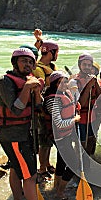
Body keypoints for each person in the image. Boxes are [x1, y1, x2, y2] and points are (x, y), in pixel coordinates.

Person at [0, 48, 60, 200]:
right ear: (15, 63)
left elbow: (38, 107)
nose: (28, 65)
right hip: (13, 136)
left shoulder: (26, 81)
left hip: (25, 134)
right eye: (24, 61)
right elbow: (16, 109)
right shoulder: (4, 82)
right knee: (30, 175)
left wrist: (36, 91)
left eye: (30, 62)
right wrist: (28, 87)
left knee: (15, 168)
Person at [43, 71, 80, 199]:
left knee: (61, 161)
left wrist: (75, 106)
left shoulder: (65, 94)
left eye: (65, 81)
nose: (64, 84)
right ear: (55, 84)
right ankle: (60, 191)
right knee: (74, 165)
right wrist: (74, 120)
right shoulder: (53, 100)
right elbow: (58, 123)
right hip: (59, 138)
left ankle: (56, 185)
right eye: (61, 82)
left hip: (66, 135)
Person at [33, 39, 60, 179]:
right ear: (51, 52)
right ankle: (42, 168)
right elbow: (41, 91)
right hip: (44, 111)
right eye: (56, 52)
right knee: (44, 140)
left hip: (52, 108)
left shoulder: (50, 66)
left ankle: (47, 163)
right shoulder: (38, 68)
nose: (57, 55)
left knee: (49, 139)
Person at [70, 53, 101, 162]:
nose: (87, 67)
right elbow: (81, 104)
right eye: (85, 65)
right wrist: (88, 85)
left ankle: (87, 162)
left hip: (92, 118)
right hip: (81, 119)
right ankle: (77, 165)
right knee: (81, 144)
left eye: (89, 65)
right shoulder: (74, 81)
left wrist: (95, 84)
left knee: (90, 141)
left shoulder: (93, 80)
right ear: (80, 65)